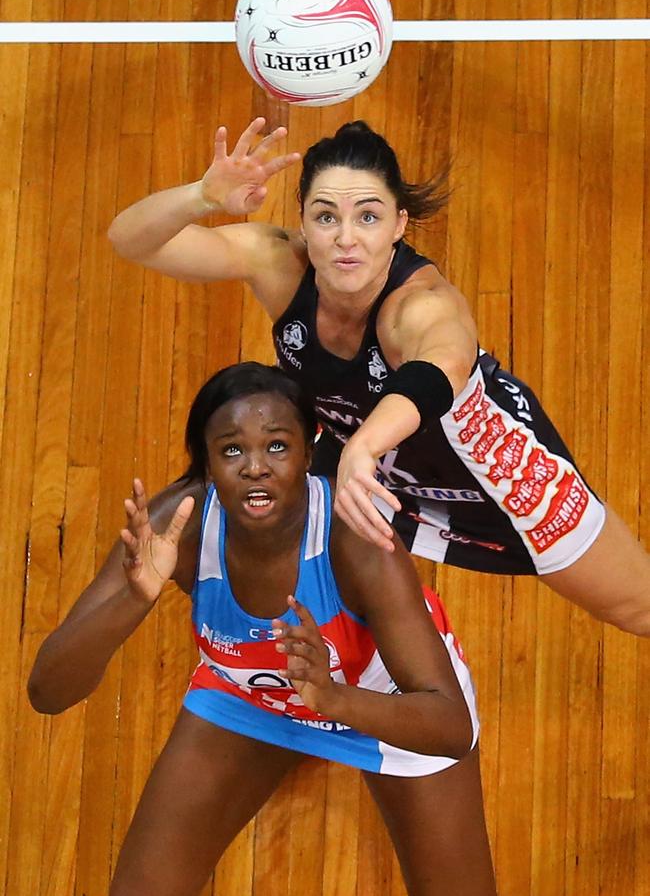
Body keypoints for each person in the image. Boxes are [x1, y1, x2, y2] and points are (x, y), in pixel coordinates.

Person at [28, 363, 550, 896]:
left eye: (277, 445)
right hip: (251, 697)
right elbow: (49, 692)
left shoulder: (358, 540)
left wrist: (333, 698)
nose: (255, 467)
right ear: (206, 461)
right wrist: (132, 600)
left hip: (383, 702)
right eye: (231, 450)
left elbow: (451, 726)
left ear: (310, 451)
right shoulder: (177, 527)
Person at [107, 118, 649, 637]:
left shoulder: (419, 304)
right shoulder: (279, 264)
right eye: (326, 217)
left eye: (367, 217)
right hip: (376, 476)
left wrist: (363, 446)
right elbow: (131, 239)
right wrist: (202, 196)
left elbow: (440, 367)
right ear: (302, 219)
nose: (346, 239)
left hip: (491, 472)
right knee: (273, 529)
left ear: (398, 224)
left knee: (637, 609)